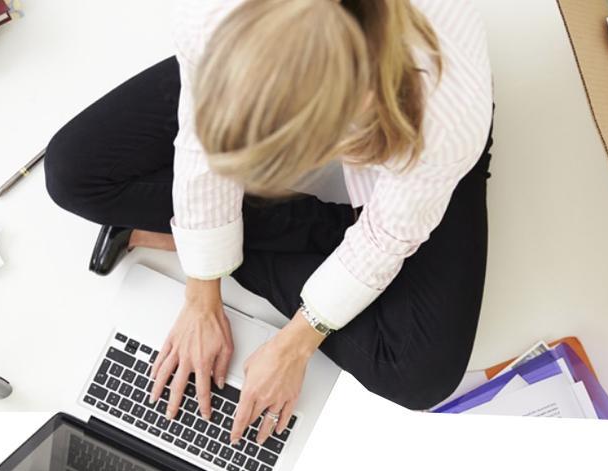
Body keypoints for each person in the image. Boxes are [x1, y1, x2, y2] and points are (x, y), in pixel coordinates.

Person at [45, 0, 493, 446]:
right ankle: (321, 239)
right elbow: (201, 145)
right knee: (73, 174)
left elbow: (385, 237)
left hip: (416, 120)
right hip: (280, 52)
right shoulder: (209, 15)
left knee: (418, 374)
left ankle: (211, 234)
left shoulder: (447, 117)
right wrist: (201, 293)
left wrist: (294, 345)